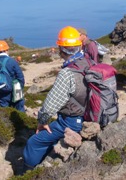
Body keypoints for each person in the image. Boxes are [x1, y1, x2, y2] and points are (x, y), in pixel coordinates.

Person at [23, 26, 87, 171]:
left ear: (62, 49)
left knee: (34, 142)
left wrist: (42, 121)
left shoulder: (67, 73)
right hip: (89, 116)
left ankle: (27, 172)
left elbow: (50, 104)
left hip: (71, 122)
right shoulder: (89, 63)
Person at [0, 40, 25, 112]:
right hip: (14, 90)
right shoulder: (12, 61)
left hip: (0, 91)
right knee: (19, 111)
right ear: (6, 50)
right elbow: (20, 77)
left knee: (4, 112)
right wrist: (20, 88)